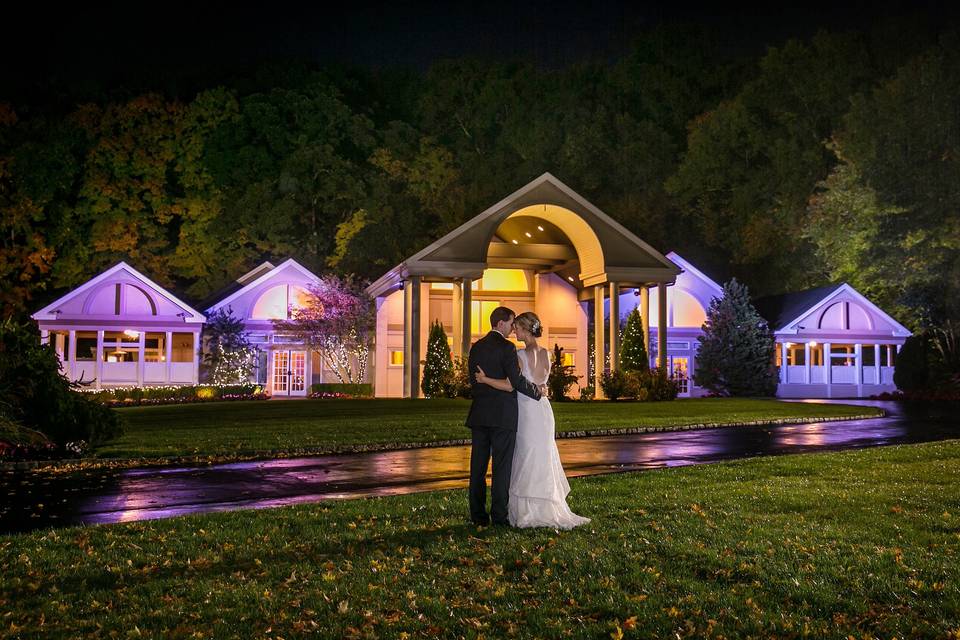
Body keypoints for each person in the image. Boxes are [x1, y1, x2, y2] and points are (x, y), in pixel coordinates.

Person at [475, 311, 590, 530]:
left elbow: (510, 385)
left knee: (525, 457)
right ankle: (546, 506)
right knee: (541, 456)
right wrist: (540, 389)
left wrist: (484, 379)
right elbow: (541, 384)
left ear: (526, 329)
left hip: (527, 410)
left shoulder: (519, 355)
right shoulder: (547, 353)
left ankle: (527, 511)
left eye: (517, 327)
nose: (514, 331)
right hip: (544, 411)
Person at [465, 306, 543, 526]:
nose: (512, 328)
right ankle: (499, 516)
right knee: (501, 469)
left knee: (477, 469)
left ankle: (478, 517)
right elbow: (515, 383)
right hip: (503, 417)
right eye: (510, 324)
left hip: (479, 415)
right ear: (501, 324)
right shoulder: (507, 348)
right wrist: (538, 392)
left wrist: (487, 383)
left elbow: (474, 381)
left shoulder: (476, 347)